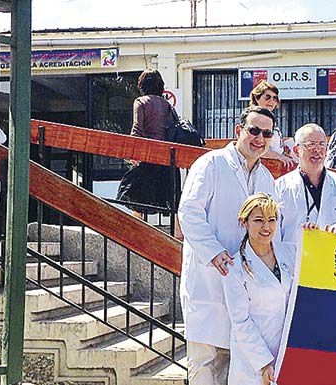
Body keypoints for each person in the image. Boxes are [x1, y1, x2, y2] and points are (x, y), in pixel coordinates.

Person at [178, 106, 278, 385]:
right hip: (208, 282)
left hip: (244, 289)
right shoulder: (211, 164)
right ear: (238, 131)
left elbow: (270, 229)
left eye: (266, 133)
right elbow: (189, 212)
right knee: (204, 367)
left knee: (232, 368)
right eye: (254, 131)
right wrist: (214, 252)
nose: (259, 138)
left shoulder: (266, 178)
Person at [222, 193, 295, 385]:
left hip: (287, 353)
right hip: (252, 362)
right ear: (244, 222)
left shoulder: (290, 253)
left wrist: (316, 233)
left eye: (272, 220)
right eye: (259, 220)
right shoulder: (234, 267)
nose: (266, 227)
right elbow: (240, 321)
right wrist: (263, 363)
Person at [118, 69, 182, 237]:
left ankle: (138, 232)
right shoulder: (167, 105)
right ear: (160, 86)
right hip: (167, 159)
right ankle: (178, 235)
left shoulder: (141, 102)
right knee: (172, 199)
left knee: (134, 194)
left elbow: (137, 129)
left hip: (148, 157)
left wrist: (133, 154)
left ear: (142, 85)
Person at [275, 123, 336, 249]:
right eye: (310, 144)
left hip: (333, 258)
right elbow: (274, 232)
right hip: (293, 261)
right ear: (296, 150)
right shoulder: (280, 187)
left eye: (322, 144)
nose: (317, 150)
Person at [249, 80, 296, 169]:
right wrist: (279, 156)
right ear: (256, 98)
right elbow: (258, 148)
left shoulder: (269, 118)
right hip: (262, 167)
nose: (271, 101)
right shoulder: (254, 119)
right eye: (267, 97)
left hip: (274, 166)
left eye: (275, 98)